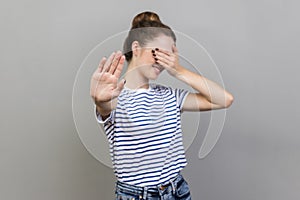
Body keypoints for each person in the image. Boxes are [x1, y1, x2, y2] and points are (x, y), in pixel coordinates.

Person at [90, 11, 234, 200]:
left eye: (169, 55)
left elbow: (224, 99)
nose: (163, 62)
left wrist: (179, 71)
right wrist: (101, 102)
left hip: (177, 191)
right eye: (157, 52)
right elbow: (105, 107)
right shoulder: (115, 96)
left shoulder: (169, 96)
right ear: (136, 48)